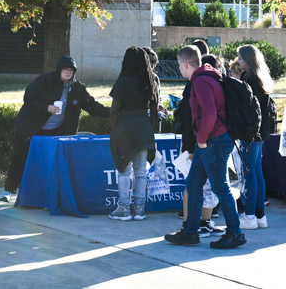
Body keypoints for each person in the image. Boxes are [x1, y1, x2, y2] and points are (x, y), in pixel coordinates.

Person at [164, 45, 246, 249]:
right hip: (213, 139)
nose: (179, 69)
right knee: (193, 185)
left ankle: (235, 233)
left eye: (179, 65)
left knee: (220, 187)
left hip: (213, 140)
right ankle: (191, 231)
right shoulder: (208, 77)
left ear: (185, 64)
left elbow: (209, 113)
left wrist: (201, 139)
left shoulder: (200, 82)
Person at [0, 55, 110, 201]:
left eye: (71, 70)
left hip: (57, 131)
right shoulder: (45, 81)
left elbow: (91, 106)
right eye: (65, 69)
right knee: (21, 158)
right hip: (31, 127)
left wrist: (113, 113)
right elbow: (29, 98)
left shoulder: (77, 88)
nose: (68, 72)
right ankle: (8, 191)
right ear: (59, 70)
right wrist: (46, 107)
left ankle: (49, 193)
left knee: (52, 162)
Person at [108, 47, 159, 221]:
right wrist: (151, 132)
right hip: (143, 127)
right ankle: (139, 209)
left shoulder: (123, 82)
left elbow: (114, 110)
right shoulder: (149, 81)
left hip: (125, 127)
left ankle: (123, 208)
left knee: (124, 169)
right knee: (140, 171)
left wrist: (114, 129)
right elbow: (154, 111)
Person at [237, 44, 274, 229]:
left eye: (240, 58)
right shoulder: (261, 78)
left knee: (250, 173)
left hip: (251, 132)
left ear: (248, 60)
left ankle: (250, 215)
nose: (238, 61)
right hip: (260, 133)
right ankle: (259, 215)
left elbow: (246, 108)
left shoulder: (249, 79)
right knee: (257, 172)